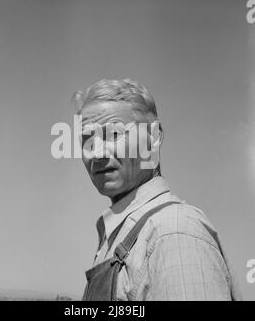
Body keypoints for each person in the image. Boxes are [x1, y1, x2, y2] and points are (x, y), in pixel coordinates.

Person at [73, 78, 241, 301]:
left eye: (113, 134)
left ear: (152, 138)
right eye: (87, 140)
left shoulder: (173, 232)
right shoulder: (125, 232)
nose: (97, 153)